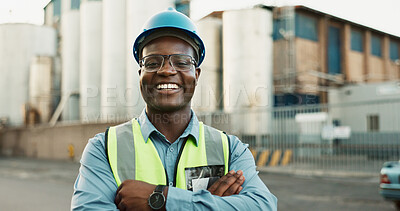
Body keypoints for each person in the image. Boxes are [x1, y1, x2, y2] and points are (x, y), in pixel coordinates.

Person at [71, 8, 277, 211]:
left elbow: (263, 206)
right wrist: (209, 203)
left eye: (181, 62)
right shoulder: (104, 149)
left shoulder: (230, 149)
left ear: (196, 75)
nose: (167, 70)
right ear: (140, 74)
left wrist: (160, 199)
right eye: (152, 63)